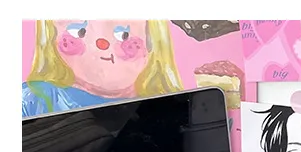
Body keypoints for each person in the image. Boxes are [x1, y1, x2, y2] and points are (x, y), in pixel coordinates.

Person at [23, 19, 182, 116]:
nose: (101, 44)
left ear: (151, 39)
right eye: (79, 31)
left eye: (124, 35)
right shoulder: (34, 99)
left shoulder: (172, 105)